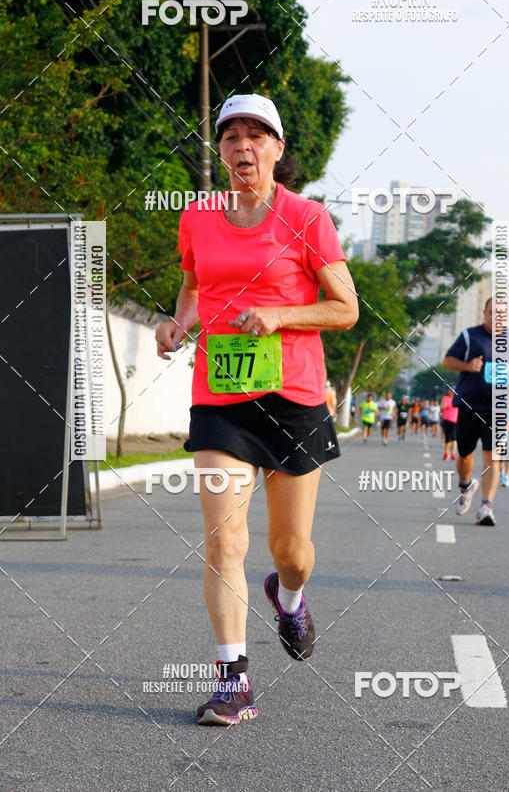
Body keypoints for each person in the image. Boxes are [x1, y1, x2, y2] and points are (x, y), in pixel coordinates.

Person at [155, 93, 358, 726]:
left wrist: (279, 316)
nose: (242, 145)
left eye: (255, 135)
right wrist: (176, 323)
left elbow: (345, 308)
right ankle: (233, 680)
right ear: (220, 150)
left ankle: (290, 598)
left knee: (290, 549)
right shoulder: (198, 216)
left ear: (276, 149)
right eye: (230, 136)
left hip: (294, 398)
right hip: (220, 401)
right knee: (225, 538)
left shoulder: (306, 217)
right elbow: (192, 287)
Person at [442, 297, 499, 526]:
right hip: (469, 405)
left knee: (492, 455)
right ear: (484, 313)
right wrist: (468, 366)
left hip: (498, 408)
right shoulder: (469, 336)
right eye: (493, 312)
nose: (497, 317)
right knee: (465, 456)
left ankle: (486, 506)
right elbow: (447, 361)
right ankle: (466, 485)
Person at [440, 388, 458, 461]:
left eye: (454, 390)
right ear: (449, 391)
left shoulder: (458, 398)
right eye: (451, 390)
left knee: (454, 437)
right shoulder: (445, 398)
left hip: (455, 420)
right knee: (447, 437)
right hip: (446, 420)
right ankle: (447, 453)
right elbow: (441, 409)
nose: (452, 392)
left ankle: (453, 454)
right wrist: (444, 406)